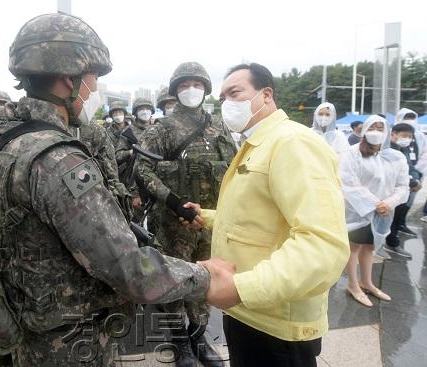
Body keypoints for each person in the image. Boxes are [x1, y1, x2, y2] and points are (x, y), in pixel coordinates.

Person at [0, 12, 229, 366]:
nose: (94, 88)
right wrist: (207, 276)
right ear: (70, 79)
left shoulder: (15, 140)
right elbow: (129, 269)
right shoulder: (59, 159)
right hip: (69, 342)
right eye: (92, 77)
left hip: (32, 323)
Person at [187, 63, 349, 367]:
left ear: (266, 94)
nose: (228, 104)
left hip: (274, 322)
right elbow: (257, 215)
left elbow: (323, 244)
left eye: (235, 93)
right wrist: (208, 216)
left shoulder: (292, 142)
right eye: (222, 98)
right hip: (250, 310)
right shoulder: (258, 143)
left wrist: (241, 288)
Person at [136, 61, 236, 366]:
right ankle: (179, 342)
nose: (190, 90)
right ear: (174, 91)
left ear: (205, 88)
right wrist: (173, 201)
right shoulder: (162, 129)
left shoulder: (219, 126)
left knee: (206, 276)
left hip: (207, 221)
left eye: (196, 84)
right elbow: (142, 169)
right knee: (174, 279)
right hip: (173, 222)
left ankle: (198, 336)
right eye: (183, 85)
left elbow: (233, 168)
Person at [339, 115, 409, 307]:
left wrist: (389, 203)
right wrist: (376, 203)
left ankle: (367, 282)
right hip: (358, 210)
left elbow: (403, 186)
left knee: (370, 247)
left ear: (387, 132)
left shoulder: (395, 157)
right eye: (372, 128)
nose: (376, 132)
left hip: (384, 212)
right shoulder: (352, 153)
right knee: (353, 247)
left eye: (380, 128)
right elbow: (349, 182)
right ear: (364, 130)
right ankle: (353, 285)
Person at [384, 123, 422, 258]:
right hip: (390, 192)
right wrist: (410, 180)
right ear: (392, 134)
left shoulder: (404, 149)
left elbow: (410, 167)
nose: (407, 139)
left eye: (410, 137)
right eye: (404, 135)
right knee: (388, 219)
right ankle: (390, 244)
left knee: (395, 219)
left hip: (403, 190)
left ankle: (391, 242)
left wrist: (415, 179)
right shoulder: (386, 149)